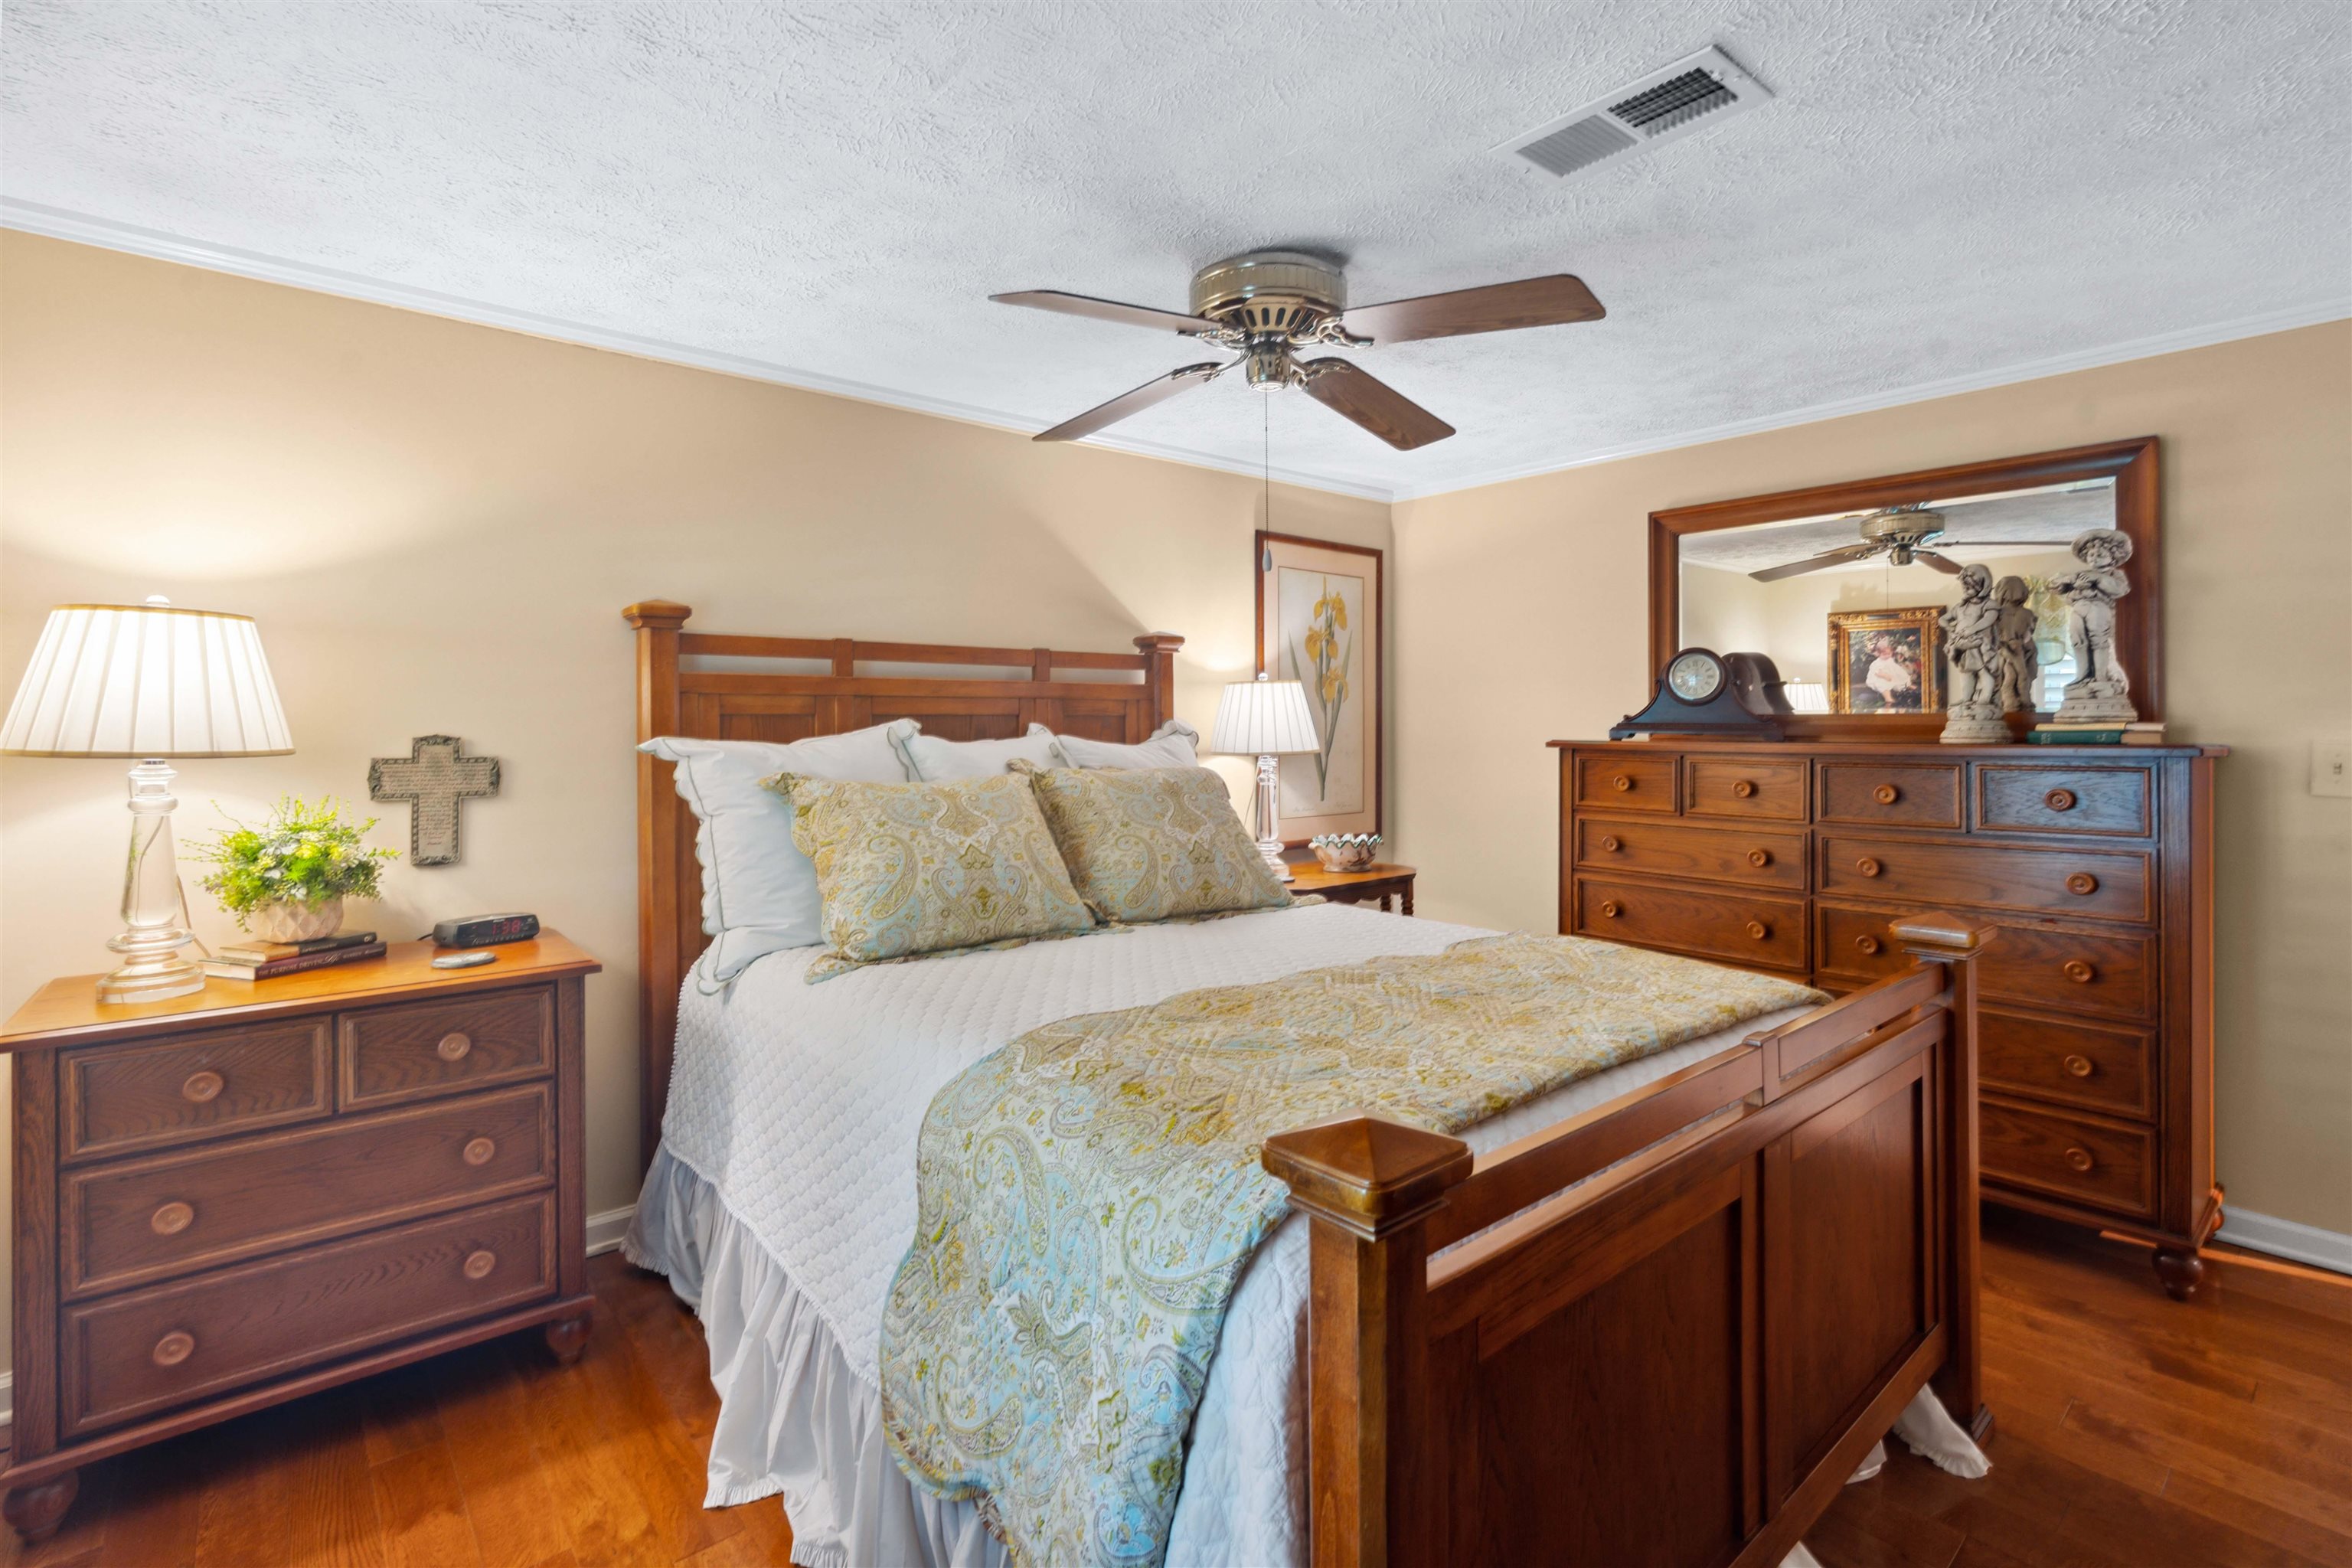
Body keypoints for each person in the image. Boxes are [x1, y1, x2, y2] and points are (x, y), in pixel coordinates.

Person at [1864, 633, 1919, 710]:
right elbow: (1877, 672)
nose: (1887, 656)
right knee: (1883, 684)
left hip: (1891, 676)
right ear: (1878, 654)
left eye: (1889, 654)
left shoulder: (1889, 660)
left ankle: (1908, 685)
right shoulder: (1877, 663)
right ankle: (1888, 698)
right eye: (1884, 654)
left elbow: (1894, 668)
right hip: (1880, 677)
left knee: (1902, 676)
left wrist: (1897, 673)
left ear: (1891, 653)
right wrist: (1885, 676)